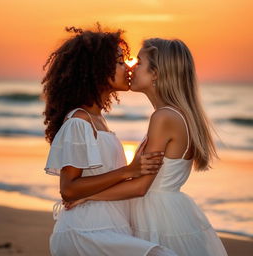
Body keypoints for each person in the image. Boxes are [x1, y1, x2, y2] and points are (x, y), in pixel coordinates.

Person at [65, 38, 228, 256]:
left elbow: (141, 187)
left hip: (158, 216)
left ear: (156, 73)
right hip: (166, 211)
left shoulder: (164, 117)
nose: (132, 66)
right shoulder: (172, 114)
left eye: (139, 62)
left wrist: (87, 196)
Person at [42, 27, 177, 256]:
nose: (128, 67)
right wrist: (128, 171)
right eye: (120, 62)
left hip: (107, 226)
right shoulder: (79, 121)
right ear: (97, 70)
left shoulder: (98, 120)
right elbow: (68, 189)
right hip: (85, 230)